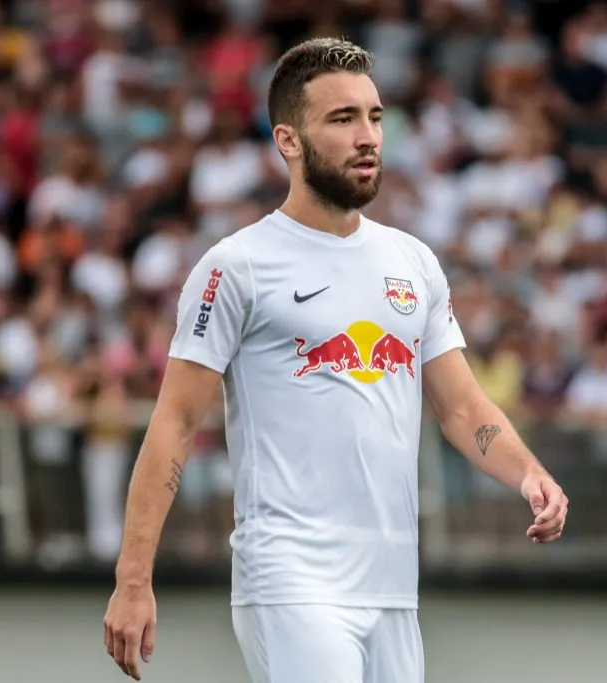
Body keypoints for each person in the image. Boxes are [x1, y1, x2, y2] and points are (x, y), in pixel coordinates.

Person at [102, 37, 569, 683]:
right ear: (289, 140)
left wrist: (528, 475)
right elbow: (175, 424)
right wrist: (133, 579)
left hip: (392, 588)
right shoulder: (236, 267)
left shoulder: (413, 263)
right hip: (291, 577)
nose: (368, 136)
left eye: (375, 117)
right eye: (343, 119)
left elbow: (462, 406)